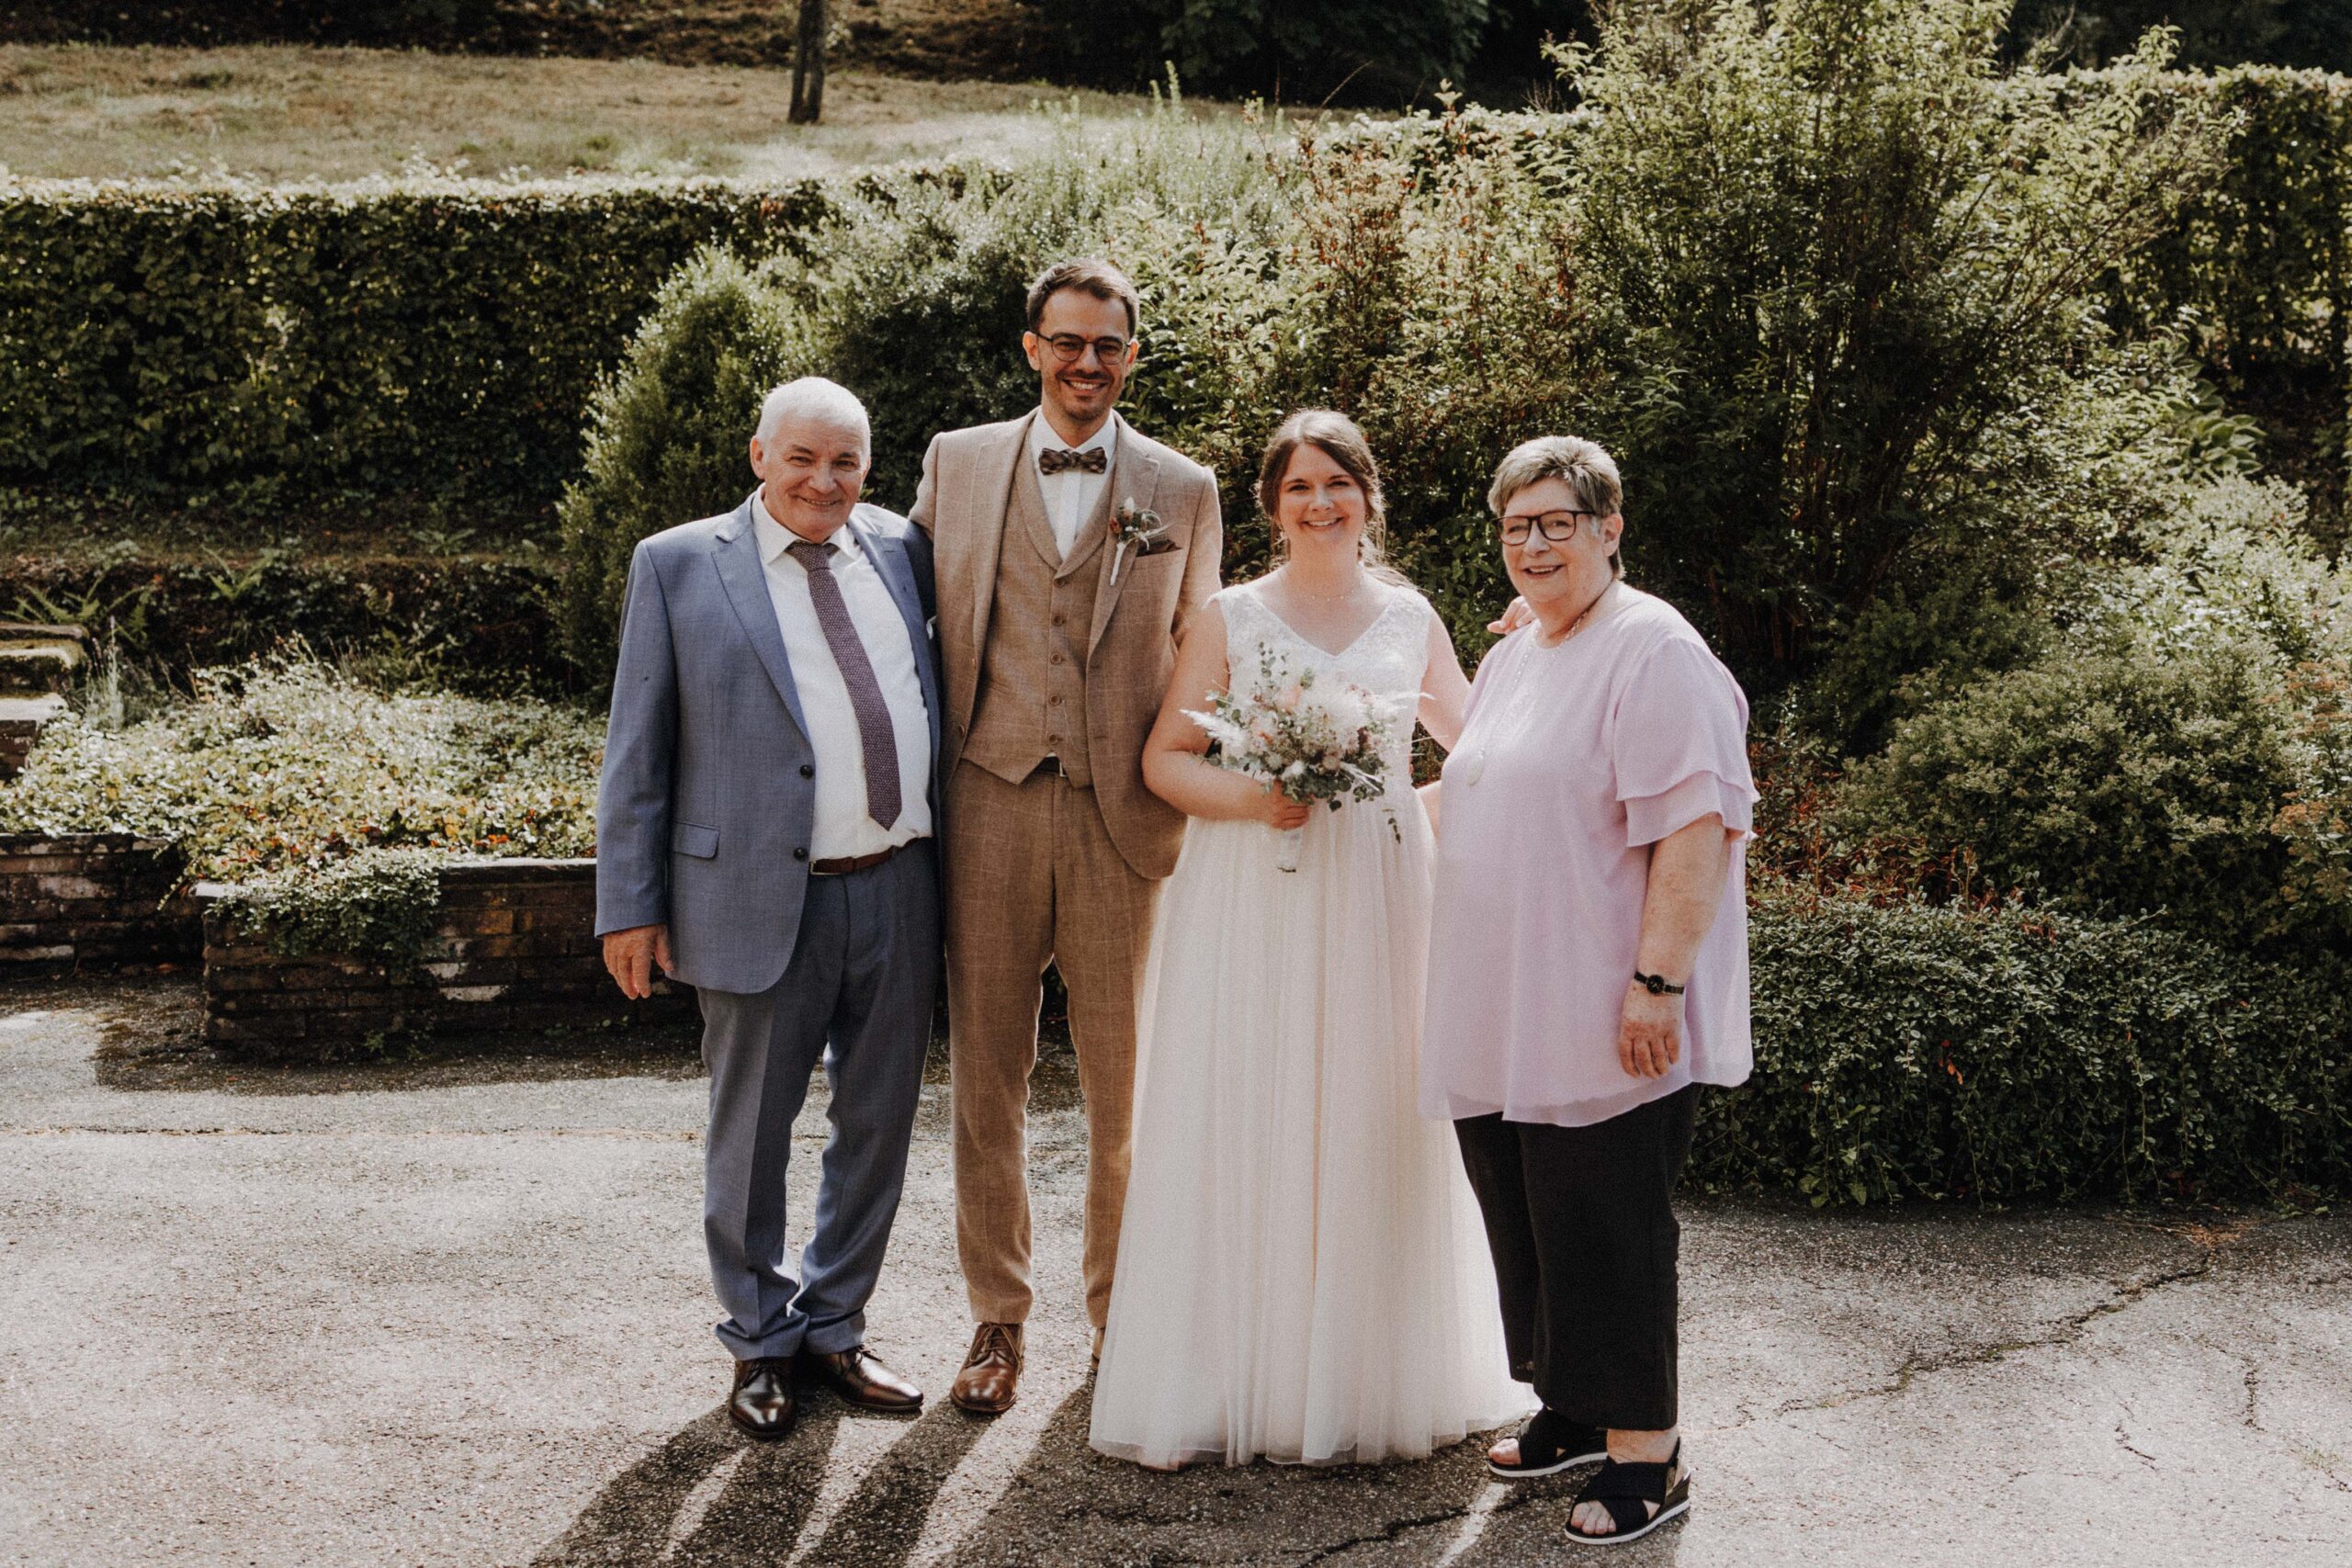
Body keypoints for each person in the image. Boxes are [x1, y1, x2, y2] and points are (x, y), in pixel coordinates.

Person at [1089, 410, 1527, 1469]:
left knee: (1373, 1104)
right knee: (1258, 1097)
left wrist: (1533, 654)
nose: (1320, 502)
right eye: (1299, 487)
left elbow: (1484, 749)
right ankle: (1246, 1369)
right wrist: (1257, 798)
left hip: (1380, 896)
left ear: (1368, 497)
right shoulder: (1231, 615)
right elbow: (1165, 759)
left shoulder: (1409, 616)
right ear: (1273, 506)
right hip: (1256, 890)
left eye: (1338, 483)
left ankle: (1368, 1372)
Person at [594, 378, 943, 1441]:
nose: (823, 482)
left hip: (900, 883)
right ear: (759, 455)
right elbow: (637, 750)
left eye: (845, 463)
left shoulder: (904, 550)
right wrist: (629, 905)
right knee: (751, 1132)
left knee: (878, 1122)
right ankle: (757, 1339)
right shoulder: (677, 563)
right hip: (753, 896)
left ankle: (835, 1325)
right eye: (802, 458)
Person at [1423, 434, 1755, 1542]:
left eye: (1556, 523)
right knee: (1529, 1210)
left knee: (1609, 1222)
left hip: (1603, 998)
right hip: (1507, 997)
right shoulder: (1520, 652)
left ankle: (1647, 1453)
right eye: (1515, 526)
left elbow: (1695, 827)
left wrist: (1657, 983)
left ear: (1610, 529)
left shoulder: (1653, 651)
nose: (1532, 545)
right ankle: (1571, 1406)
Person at [909, 258, 1225, 1416]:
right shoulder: (957, 461)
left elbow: (1208, 650)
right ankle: (996, 1320)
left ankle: (1118, 1320)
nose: (1086, 363)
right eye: (1067, 342)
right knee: (984, 1083)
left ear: (1130, 356)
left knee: (1124, 1092)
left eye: (1107, 346)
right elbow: (897, 608)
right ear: (1032, 346)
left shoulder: (1183, 489)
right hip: (985, 803)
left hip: (1121, 817)